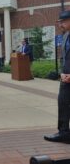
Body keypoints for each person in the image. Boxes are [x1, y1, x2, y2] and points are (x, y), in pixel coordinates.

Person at [44, 10, 70, 143]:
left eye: (63, 22)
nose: (60, 25)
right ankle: (64, 133)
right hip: (65, 78)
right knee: (63, 103)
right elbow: (63, 58)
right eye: (60, 22)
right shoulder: (65, 36)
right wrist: (62, 73)